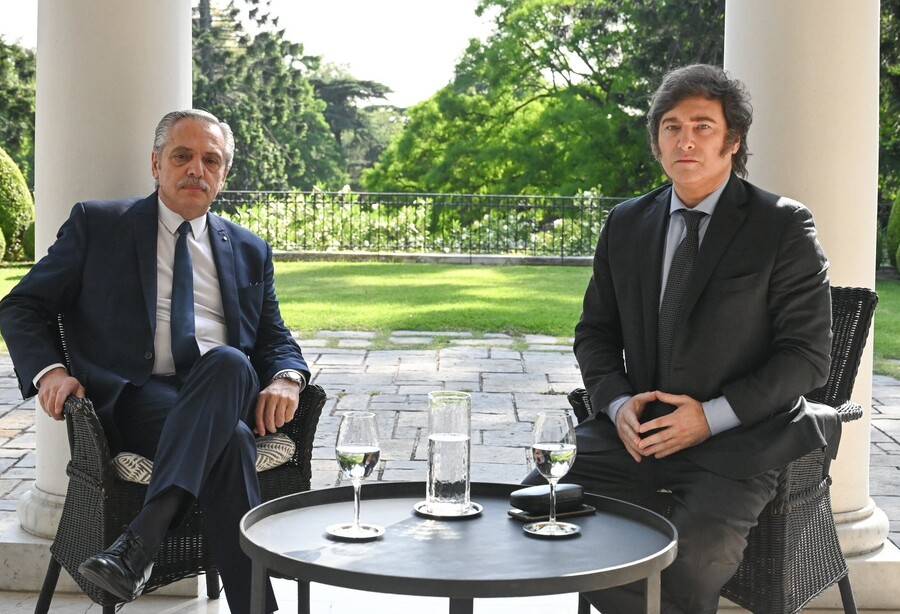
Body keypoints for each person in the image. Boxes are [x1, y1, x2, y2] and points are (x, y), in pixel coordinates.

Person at [524, 64, 838, 613]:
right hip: (635, 436)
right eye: (671, 127)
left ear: (732, 141)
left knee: (688, 563)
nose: (685, 140)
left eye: (702, 126)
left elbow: (807, 358)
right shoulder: (626, 223)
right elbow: (595, 333)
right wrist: (617, 404)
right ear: (657, 142)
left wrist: (708, 417)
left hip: (738, 441)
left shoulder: (782, 225)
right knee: (530, 512)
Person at [0, 109, 309, 614]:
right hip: (137, 400)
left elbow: (275, 337)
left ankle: (138, 545)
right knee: (231, 442)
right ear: (155, 164)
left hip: (225, 388)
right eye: (182, 156)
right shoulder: (100, 225)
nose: (196, 169)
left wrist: (288, 379)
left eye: (211, 160)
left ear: (224, 174)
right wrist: (51, 372)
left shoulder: (249, 249)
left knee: (230, 364)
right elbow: (21, 306)